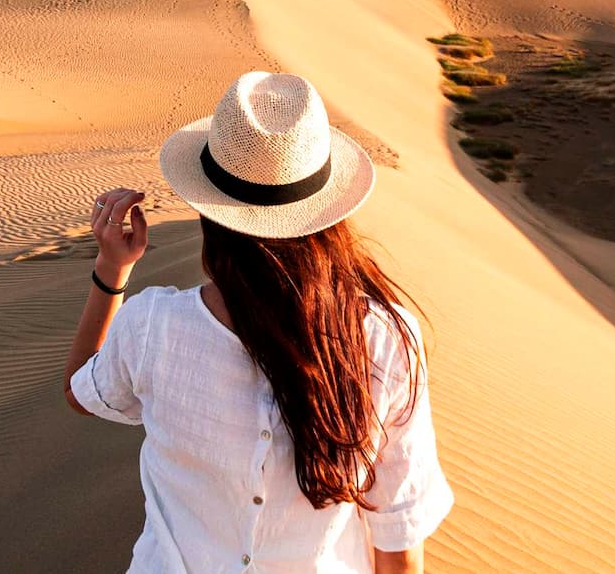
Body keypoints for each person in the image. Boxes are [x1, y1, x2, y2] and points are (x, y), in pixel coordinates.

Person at [65, 71, 453, 573]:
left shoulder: (151, 327)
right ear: (326, 212)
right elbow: (398, 543)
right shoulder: (386, 339)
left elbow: (80, 391)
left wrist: (111, 270)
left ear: (209, 214)